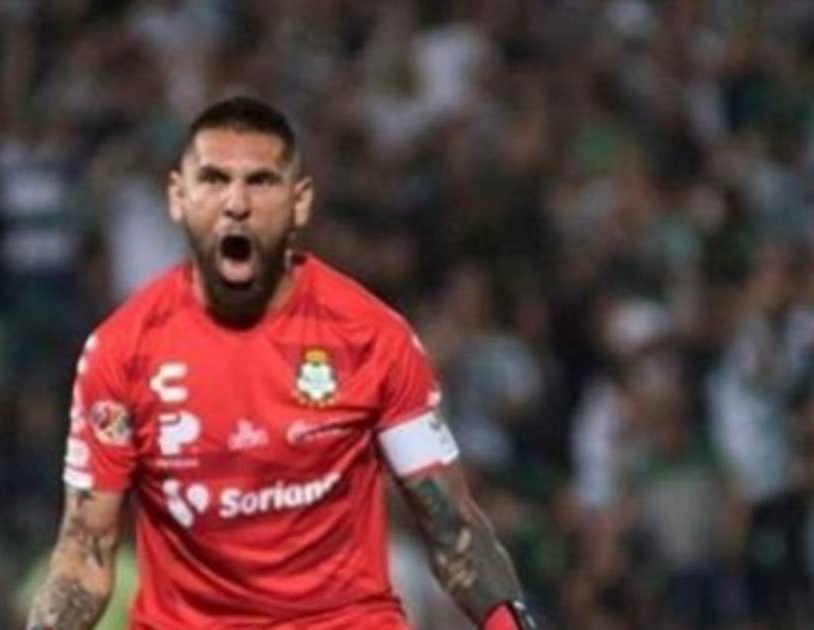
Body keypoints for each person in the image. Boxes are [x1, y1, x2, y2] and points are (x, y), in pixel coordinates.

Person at [26, 96, 535, 630]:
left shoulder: (372, 338)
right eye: (214, 179)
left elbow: (453, 528)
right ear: (178, 197)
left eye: (261, 182)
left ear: (300, 202)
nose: (236, 203)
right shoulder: (121, 352)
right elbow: (84, 551)